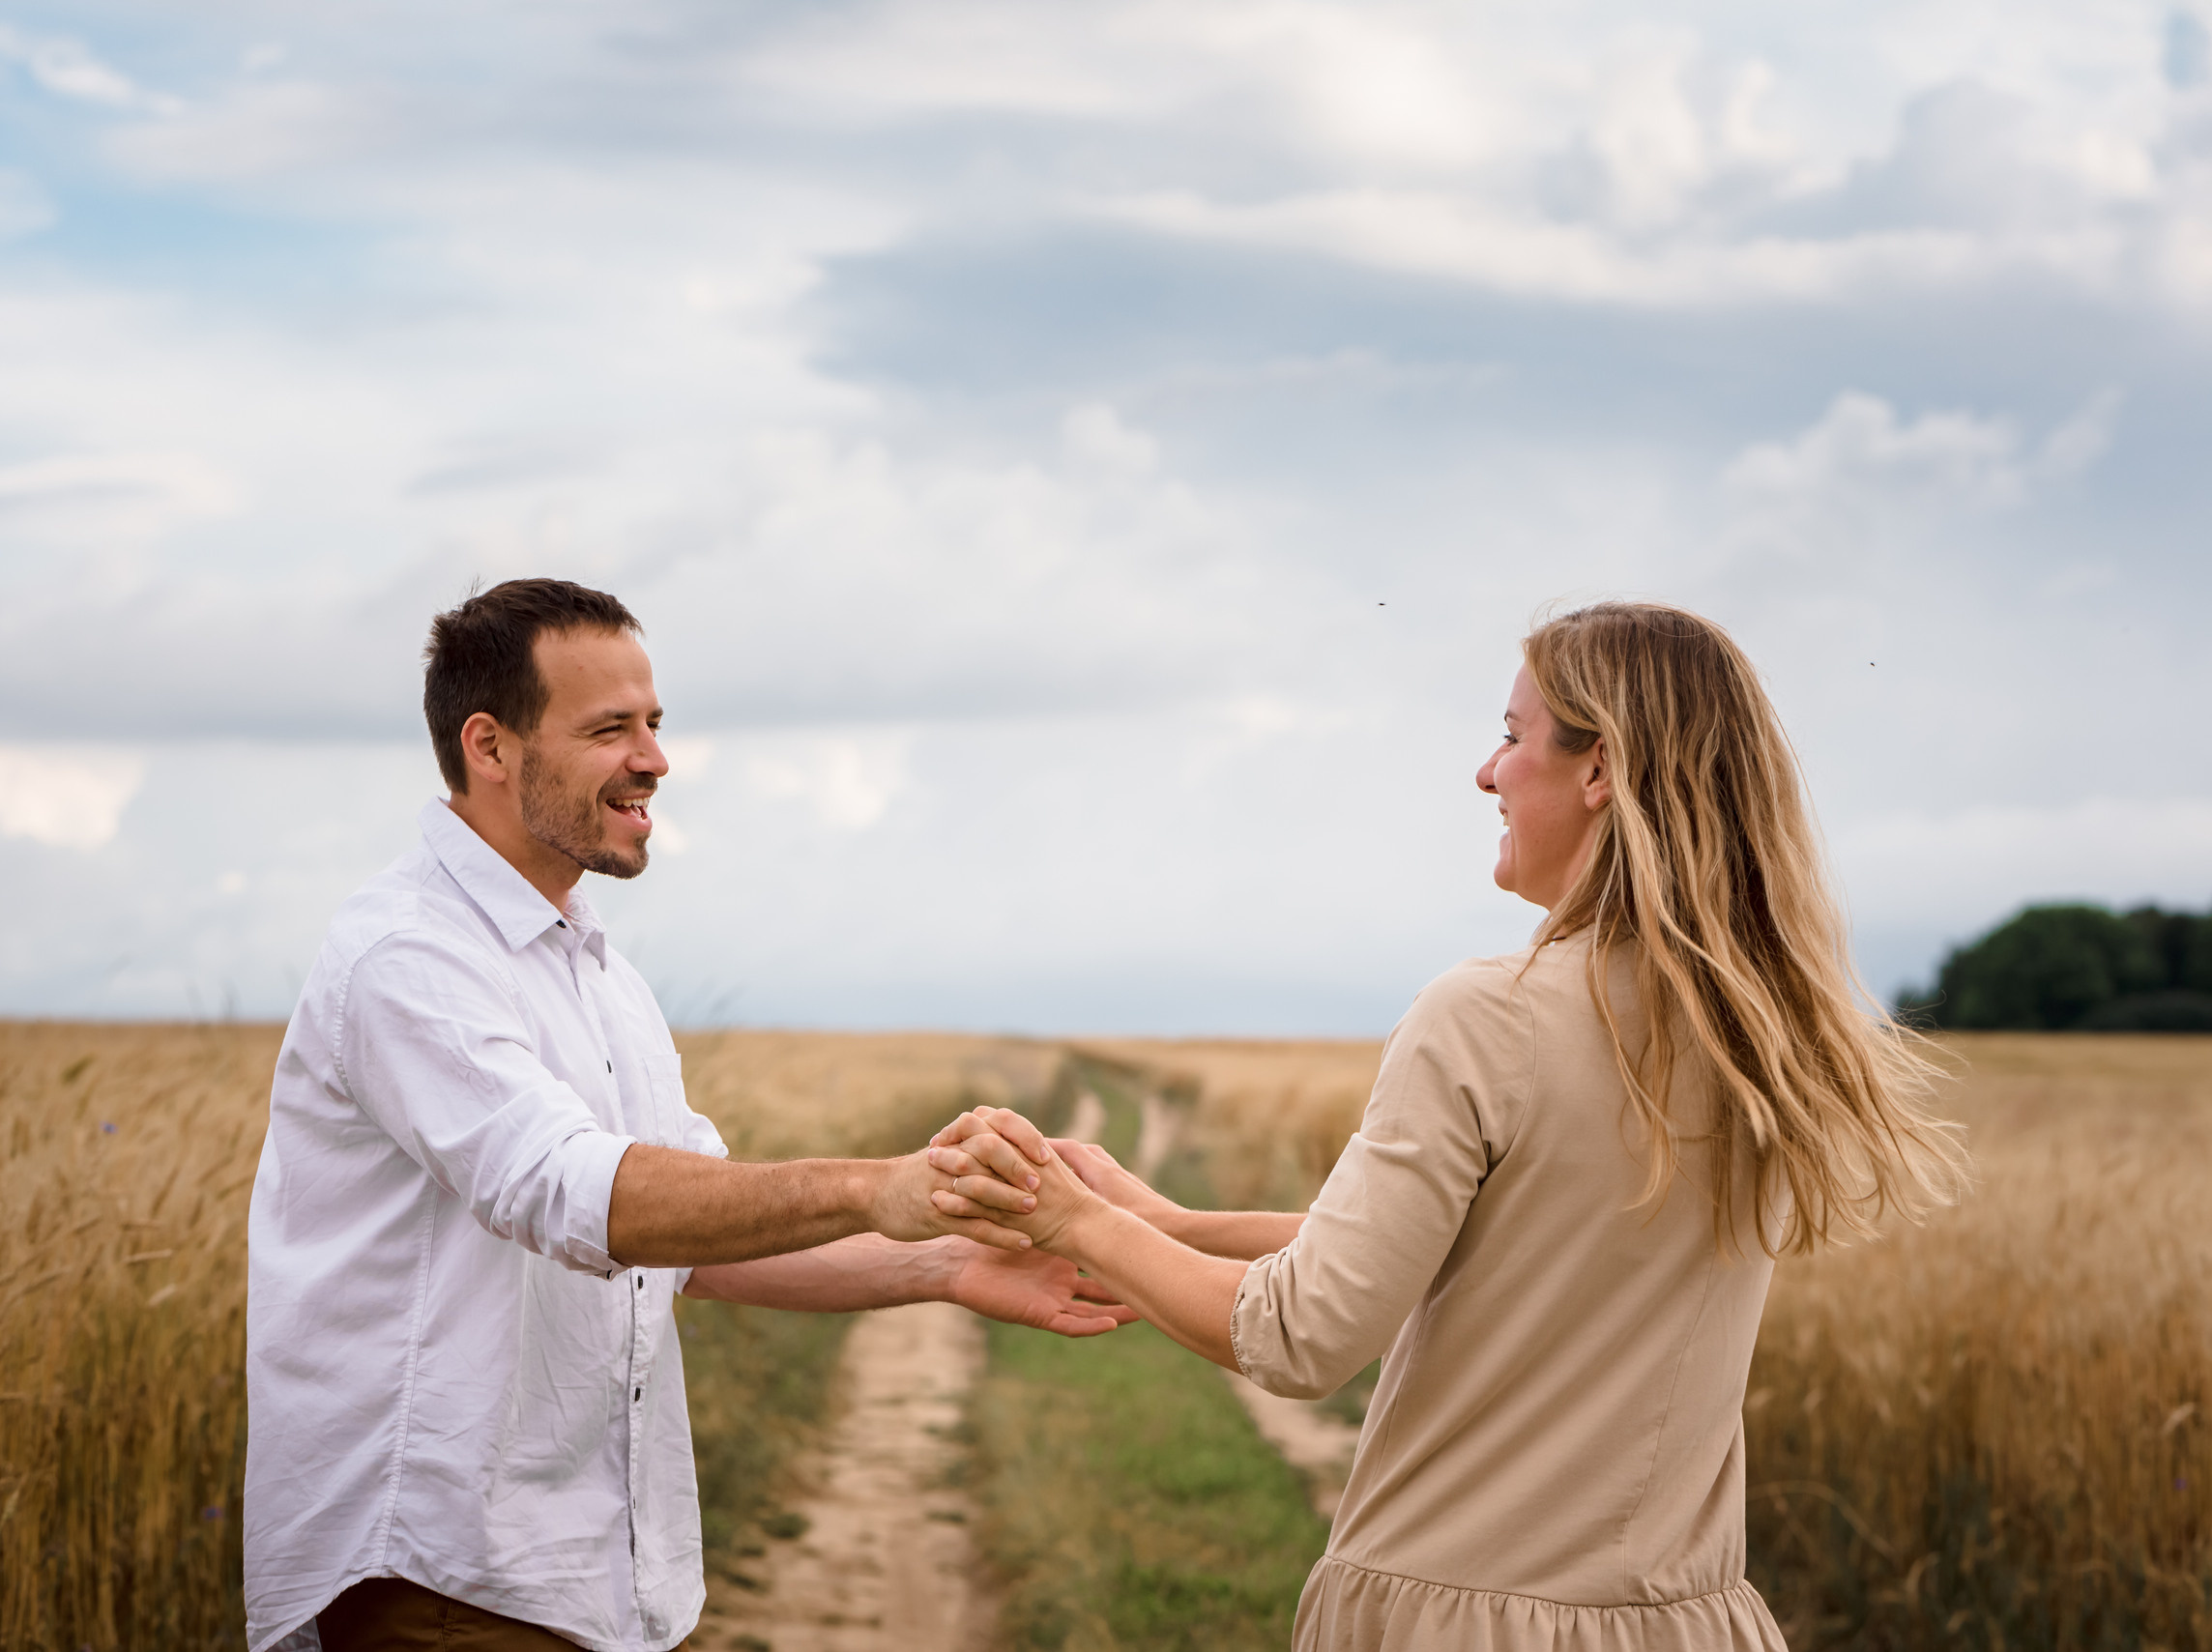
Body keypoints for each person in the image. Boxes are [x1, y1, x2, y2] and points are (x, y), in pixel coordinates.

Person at [926, 601, 1969, 1652]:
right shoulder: (1762, 1038)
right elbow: (1494, 1252)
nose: (1486, 773)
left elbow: (1300, 1335)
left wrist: (1068, 1217)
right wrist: (1172, 1224)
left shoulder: (1488, 1013)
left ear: (1599, 768)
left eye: (1513, 736)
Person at [243, 578, 1128, 1652]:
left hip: (573, 1581)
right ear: (491, 745)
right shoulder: (410, 957)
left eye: (653, 724)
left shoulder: (595, 971)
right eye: (609, 727)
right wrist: (874, 1186)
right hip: (442, 1576)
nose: (654, 758)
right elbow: (577, 1194)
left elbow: (689, 1245)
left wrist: (940, 1264)